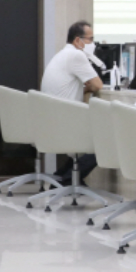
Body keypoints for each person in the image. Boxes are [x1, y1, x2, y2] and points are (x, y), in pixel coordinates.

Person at [40, 21, 104, 185]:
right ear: (77, 40)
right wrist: (89, 87)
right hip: (66, 124)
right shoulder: (76, 55)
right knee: (106, 140)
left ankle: (63, 176)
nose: (93, 44)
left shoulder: (62, 54)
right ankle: (68, 180)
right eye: (90, 39)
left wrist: (85, 89)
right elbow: (98, 85)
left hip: (52, 121)